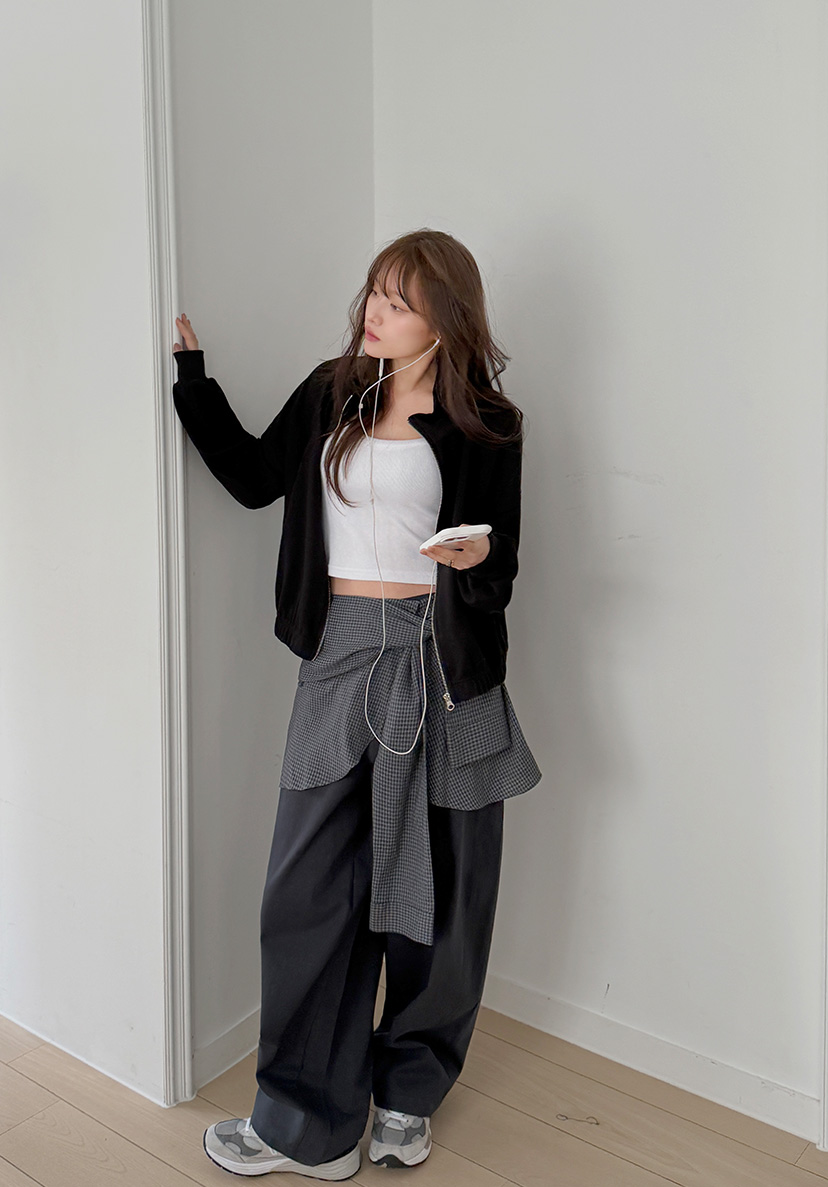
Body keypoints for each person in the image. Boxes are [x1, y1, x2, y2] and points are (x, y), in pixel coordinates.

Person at [171, 228, 542, 1180]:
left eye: (400, 301)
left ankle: (408, 1093)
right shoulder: (333, 390)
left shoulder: (488, 420)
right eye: (375, 291)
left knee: (446, 894)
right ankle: (308, 1124)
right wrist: (194, 383)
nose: (375, 312)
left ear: (445, 318)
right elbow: (255, 478)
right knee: (309, 891)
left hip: (446, 663)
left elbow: (500, 565)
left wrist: (477, 555)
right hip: (340, 655)